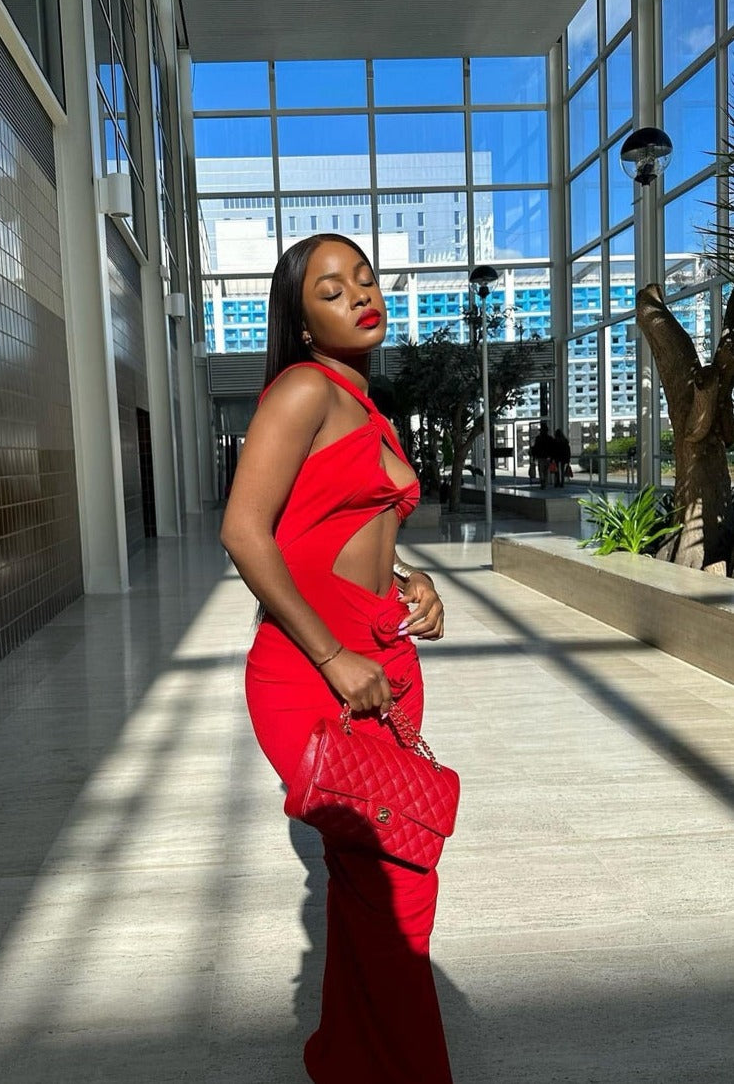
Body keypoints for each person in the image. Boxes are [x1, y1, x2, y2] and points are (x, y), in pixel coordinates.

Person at [220, 234, 454, 1083]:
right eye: (331, 288)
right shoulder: (303, 391)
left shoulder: (369, 404)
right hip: (312, 670)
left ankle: (349, 1058)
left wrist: (409, 579)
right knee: (397, 892)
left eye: (364, 278)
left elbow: (338, 532)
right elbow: (244, 533)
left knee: (373, 894)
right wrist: (331, 657)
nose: (360, 293)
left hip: (384, 658)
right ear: (303, 320)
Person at [530, 421, 555, 488]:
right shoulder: (550, 439)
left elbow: (535, 448)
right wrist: (552, 457)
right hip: (548, 457)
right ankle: (545, 482)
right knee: (546, 470)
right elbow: (552, 448)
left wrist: (534, 456)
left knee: (541, 470)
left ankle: (542, 481)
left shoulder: (538, 438)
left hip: (540, 457)